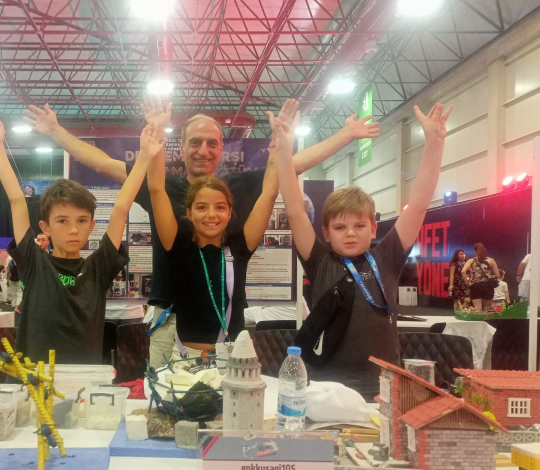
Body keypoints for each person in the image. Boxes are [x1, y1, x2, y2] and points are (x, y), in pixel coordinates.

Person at [25, 97, 381, 367]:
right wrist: (56, 132)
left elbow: (291, 166)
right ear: (181, 147)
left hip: (225, 320)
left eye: (212, 143)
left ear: (221, 149)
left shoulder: (240, 187)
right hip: (170, 319)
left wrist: (346, 134)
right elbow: (103, 163)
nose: (203, 150)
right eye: (195, 142)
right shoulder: (163, 186)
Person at [275, 101, 452, 401]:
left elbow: (418, 205)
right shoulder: (319, 261)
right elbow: (294, 211)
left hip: (382, 389)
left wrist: (435, 142)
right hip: (327, 388)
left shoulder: (388, 257)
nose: (350, 233)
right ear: (326, 233)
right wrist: (283, 149)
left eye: (359, 225)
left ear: (373, 228)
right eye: (340, 227)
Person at [0, 113, 162, 363]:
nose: (73, 230)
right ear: (45, 227)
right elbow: (17, 200)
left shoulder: (98, 267)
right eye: (62, 221)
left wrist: (145, 156)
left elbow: (121, 207)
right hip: (34, 379)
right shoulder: (34, 262)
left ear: (92, 226)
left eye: (81, 221)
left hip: (83, 380)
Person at [146, 124, 278, 363]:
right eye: (201, 207)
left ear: (229, 213)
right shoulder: (177, 246)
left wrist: (280, 145)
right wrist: (156, 143)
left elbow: (269, 193)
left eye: (219, 207)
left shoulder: (239, 247)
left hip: (232, 357)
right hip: (183, 358)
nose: (211, 215)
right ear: (189, 213)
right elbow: (156, 190)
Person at [462, 243, 500, 312]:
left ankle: (477, 319)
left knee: (477, 308)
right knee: (488, 309)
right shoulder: (491, 260)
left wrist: (467, 283)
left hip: (475, 286)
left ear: (475, 251)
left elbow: (463, 271)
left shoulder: (471, 261)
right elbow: (498, 275)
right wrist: (490, 276)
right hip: (488, 285)